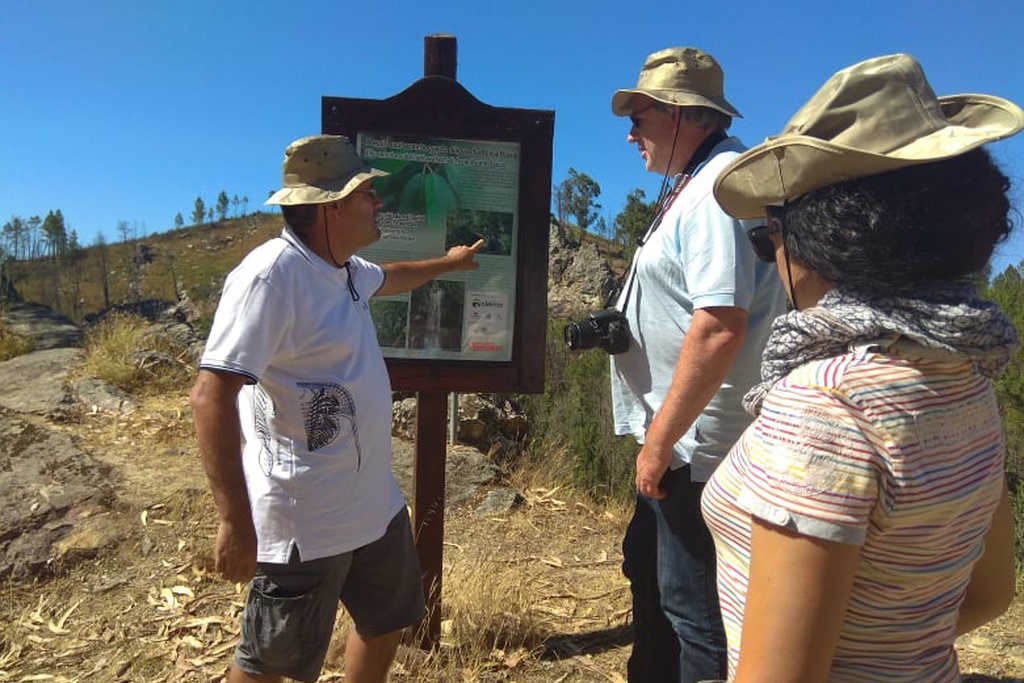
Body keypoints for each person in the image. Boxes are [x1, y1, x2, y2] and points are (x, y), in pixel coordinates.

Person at [703, 53, 1023, 683]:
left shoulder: (824, 405)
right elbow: (990, 596)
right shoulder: (967, 375)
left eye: (768, 237)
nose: (772, 257)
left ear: (819, 236)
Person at [189, 134, 483, 683]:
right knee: (270, 662)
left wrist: (448, 262)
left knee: (386, 621)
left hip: (373, 505)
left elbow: (394, 277)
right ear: (332, 206)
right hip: (305, 518)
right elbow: (211, 395)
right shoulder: (270, 277)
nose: (378, 202)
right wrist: (234, 521)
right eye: (367, 194)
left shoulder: (343, 268)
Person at [608, 47, 787, 683]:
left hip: (696, 447)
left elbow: (718, 326)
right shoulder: (697, 184)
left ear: (681, 113)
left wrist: (660, 442)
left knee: (694, 610)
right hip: (680, 440)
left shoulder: (715, 189)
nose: (630, 133)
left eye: (641, 118)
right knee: (652, 577)